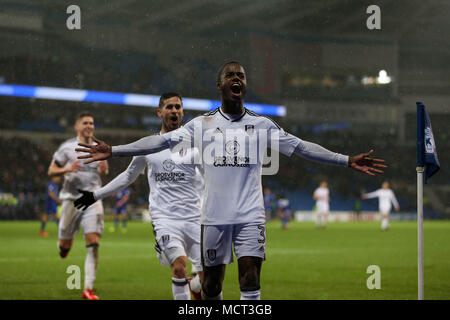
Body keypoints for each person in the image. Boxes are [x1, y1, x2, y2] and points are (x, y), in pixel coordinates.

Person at [75, 61, 387, 300]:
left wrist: (345, 159)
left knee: (250, 278)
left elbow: (302, 147)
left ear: (244, 86)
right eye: (231, 75)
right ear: (220, 85)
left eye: (241, 76)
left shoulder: (261, 124)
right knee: (211, 285)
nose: (237, 78)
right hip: (212, 218)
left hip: (250, 215)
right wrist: (114, 150)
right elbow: (158, 143)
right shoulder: (203, 124)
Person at [75, 93, 204, 300]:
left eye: (178, 107)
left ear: (182, 112)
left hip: (195, 218)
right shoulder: (148, 147)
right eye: (169, 107)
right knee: (179, 268)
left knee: (209, 280)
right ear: (159, 112)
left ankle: (196, 286)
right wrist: (95, 195)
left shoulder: (194, 145)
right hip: (165, 219)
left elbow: (207, 181)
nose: (174, 111)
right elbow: (128, 176)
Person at [48, 111, 109, 300]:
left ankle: (87, 289)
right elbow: (52, 171)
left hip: (92, 198)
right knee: (64, 247)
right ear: (77, 126)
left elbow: (104, 173)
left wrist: (104, 169)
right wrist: (67, 168)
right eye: (85, 123)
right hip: (70, 200)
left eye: (91, 123)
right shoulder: (67, 148)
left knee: (93, 242)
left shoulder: (100, 148)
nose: (89, 126)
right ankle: (64, 245)